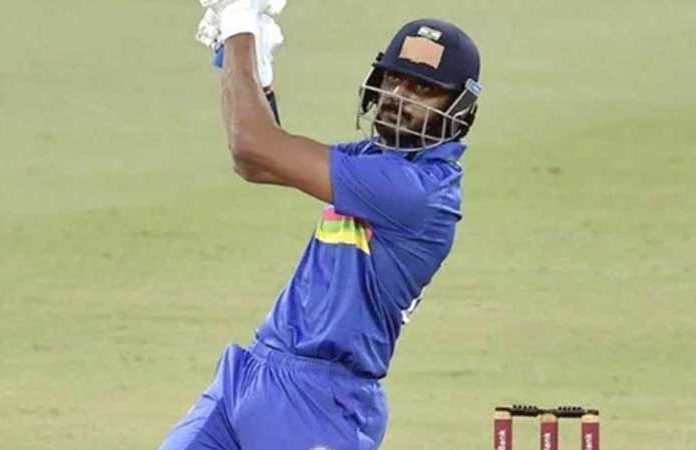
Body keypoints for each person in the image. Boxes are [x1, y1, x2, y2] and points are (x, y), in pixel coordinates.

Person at [157, 1, 482, 449]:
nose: (398, 96)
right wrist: (257, 69)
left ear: (459, 108)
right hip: (253, 373)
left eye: (423, 89)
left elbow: (254, 145)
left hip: (322, 404)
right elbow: (258, 162)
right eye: (394, 78)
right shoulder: (373, 160)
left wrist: (238, 26)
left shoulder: (418, 192)